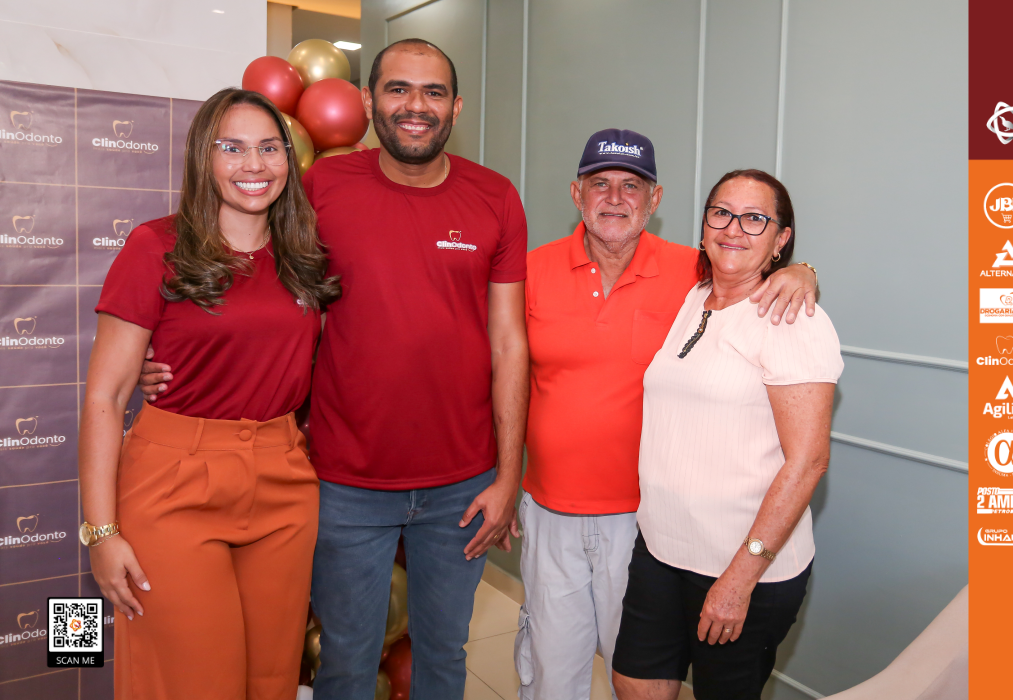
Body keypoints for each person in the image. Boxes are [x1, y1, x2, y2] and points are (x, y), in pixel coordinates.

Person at [139, 39, 528, 700]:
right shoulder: (321, 187)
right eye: (398, 89)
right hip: (344, 480)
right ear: (370, 102)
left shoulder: (495, 197)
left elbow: (510, 343)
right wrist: (168, 349)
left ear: (456, 107)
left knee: (444, 653)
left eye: (433, 92)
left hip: (462, 485)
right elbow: (254, 281)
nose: (415, 105)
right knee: (346, 658)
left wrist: (509, 475)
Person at [519, 134, 819, 699]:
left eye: (631, 186)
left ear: (655, 200)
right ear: (576, 194)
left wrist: (803, 270)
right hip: (551, 508)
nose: (615, 198)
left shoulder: (694, 272)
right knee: (554, 671)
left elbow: (754, 266)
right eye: (600, 183)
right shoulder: (531, 269)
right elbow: (502, 373)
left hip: (642, 522)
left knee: (636, 675)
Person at [79, 88, 340, 700]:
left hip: (282, 482)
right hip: (173, 484)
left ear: (288, 159)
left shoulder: (303, 256)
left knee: (271, 680)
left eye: (269, 148)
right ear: (204, 157)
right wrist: (101, 532)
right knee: (194, 683)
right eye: (233, 147)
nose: (254, 164)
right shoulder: (155, 246)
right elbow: (105, 397)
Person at [611, 170, 842, 700]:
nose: (733, 228)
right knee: (633, 682)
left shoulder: (793, 320)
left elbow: (808, 462)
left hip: (742, 566)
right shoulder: (695, 297)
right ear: (704, 224)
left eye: (755, 218)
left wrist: (740, 578)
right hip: (662, 551)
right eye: (721, 213)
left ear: (781, 238)